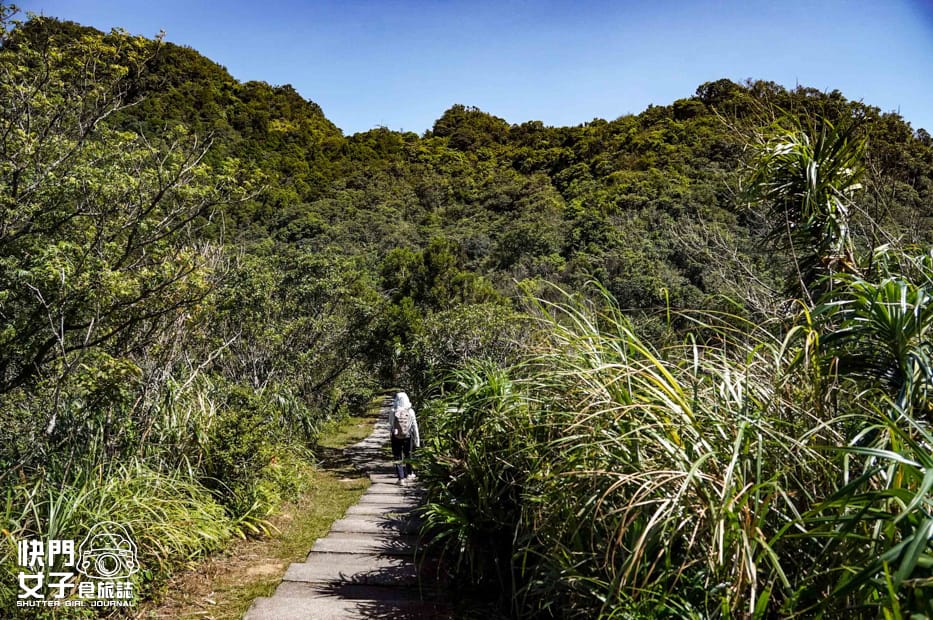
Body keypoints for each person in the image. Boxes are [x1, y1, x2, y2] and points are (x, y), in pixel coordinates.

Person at [388, 391, 420, 484]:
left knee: (397, 456)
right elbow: (415, 426)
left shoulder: (393, 411)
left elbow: (390, 425)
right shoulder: (410, 411)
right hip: (408, 436)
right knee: (408, 454)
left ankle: (401, 478)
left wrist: (391, 434)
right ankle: (409, 474)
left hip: (396, 436)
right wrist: (417, 440)